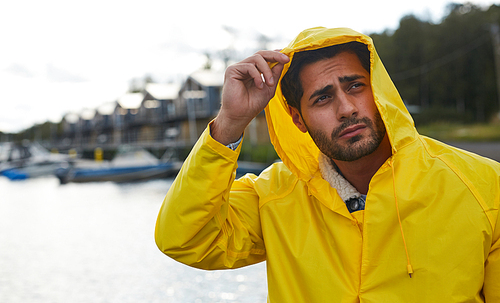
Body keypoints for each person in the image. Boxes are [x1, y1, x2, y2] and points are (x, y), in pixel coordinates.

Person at [155, 27, 500, 302]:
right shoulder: (273, 196)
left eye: (355, 86)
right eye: (323, 97)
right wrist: (229, 123)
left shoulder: (484, 186)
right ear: (298, 119)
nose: (347, 108)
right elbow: (184, 239)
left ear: (378, 90)